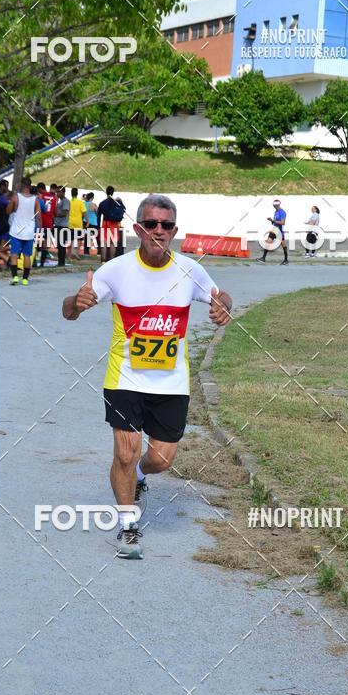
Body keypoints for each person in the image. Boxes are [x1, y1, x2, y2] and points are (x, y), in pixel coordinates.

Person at [62, 193, 232, 560]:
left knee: (161, 460)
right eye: (151, 224)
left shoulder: (190, 270)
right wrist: (76, 303)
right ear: (138, 229)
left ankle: (140, 476)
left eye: (166, 225)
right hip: (125, 378)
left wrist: (223, 307)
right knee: (125, 452)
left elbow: (222, 296)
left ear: (174, 230)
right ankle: (128, 526)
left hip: (171, 382)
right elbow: (68, 310)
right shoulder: (116, 270)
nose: (159, 230)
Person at [6, 176, 42, 285]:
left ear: (21, 185)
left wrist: (11, 203)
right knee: (27, 256)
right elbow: (39, 217)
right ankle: (25, 279)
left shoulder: (16, 197)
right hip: (29, 232)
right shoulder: (35, 199)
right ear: (30, 186)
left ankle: (15, 277)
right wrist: (39, 231)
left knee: (14, 254)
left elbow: (8, 211)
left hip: (16, 231)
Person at [97, 185, 125, 263]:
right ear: (113, 192)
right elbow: (123, 210)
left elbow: (98, 216)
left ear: (106, 192)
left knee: (104, 242)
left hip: (105, 223)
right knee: (113, 243)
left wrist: (98, 227)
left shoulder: (102, 203)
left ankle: (103, 260)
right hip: (114, 224)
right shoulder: (117, 202)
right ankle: (111, 261)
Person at [256, 199, 288, 264]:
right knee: (268, 242)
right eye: (273, 205)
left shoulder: (282, 212)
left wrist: (273, 220)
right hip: (274, 230)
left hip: (279, 231)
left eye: (275, 205)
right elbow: (275, 221)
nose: (274, 206)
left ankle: (286, 260)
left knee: (283, 244)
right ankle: (263, 258)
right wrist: (271, 221)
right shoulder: (276, 212)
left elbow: (283, 222)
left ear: (278, 205)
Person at [54, 186, 70, 267]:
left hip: (63, 226)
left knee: (61, 245)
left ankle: (61, 262)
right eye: (57, 191)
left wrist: (56, 214)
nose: (57, 193)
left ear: (63, 192)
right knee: (59, 245)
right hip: (58, 225)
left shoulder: (66, 201)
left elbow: (65, 213)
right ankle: (60, 262)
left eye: (59, 192)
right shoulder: (60, 201)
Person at [68, 187, 84, 260]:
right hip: (78, 223)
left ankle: (69, 256)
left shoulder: (68, 202)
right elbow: (84, 212)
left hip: (70, 223)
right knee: (79, 239)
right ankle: (75, 252)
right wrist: (87, 221)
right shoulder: (80, 202)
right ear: (77, 194)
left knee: (70, 239)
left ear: (71, 193)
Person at [84, 191, 99, 256]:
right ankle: (99, 252)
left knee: (87, 237)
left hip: (85, 222)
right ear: (92, 198)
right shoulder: (93, 205)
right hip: (94, 223)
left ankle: (86, 252)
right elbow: (98, 213)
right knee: (97, 238)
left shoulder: (83, 204)